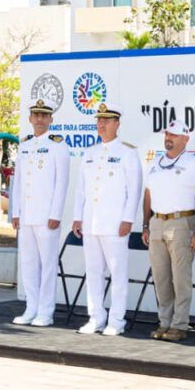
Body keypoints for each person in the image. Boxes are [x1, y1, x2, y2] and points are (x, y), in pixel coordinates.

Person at [72, 103, 143, 336]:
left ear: (117, 124)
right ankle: (96, 317)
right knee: (93, 272)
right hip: (91, 223)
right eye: (99, 120)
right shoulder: (90, 153)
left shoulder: (127, 152)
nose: (101, 124)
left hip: (114, 224)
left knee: (118, 273)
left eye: (107, 121)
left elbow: (134, 190)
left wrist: (127, 219)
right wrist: (77, 217)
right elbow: (80, 190)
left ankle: (116, 319)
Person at [142, 120, 195, 342]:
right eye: (167, 134)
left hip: (182, 223)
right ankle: (165, 322)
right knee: (161, 277)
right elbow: (148, 195)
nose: (168, 138)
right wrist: (145, 224)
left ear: (186, 139)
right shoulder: (156, 163)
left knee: (180, 278)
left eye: (174, 134)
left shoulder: (194, 164)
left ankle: (180, 325)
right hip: (157, 222)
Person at [9, 98, 70, 326]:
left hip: (46, 217)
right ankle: (31, 307)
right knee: (29, 263)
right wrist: (16, 212)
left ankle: (45, 311)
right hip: (26, 216)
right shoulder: (24, 144)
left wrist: (55, 214)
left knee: (47, 264)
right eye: (36, 115)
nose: (40, 119)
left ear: (51, 119)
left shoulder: (57, 144)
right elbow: (19, 182)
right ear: (30, 118)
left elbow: (62, 182)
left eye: (44, 115)